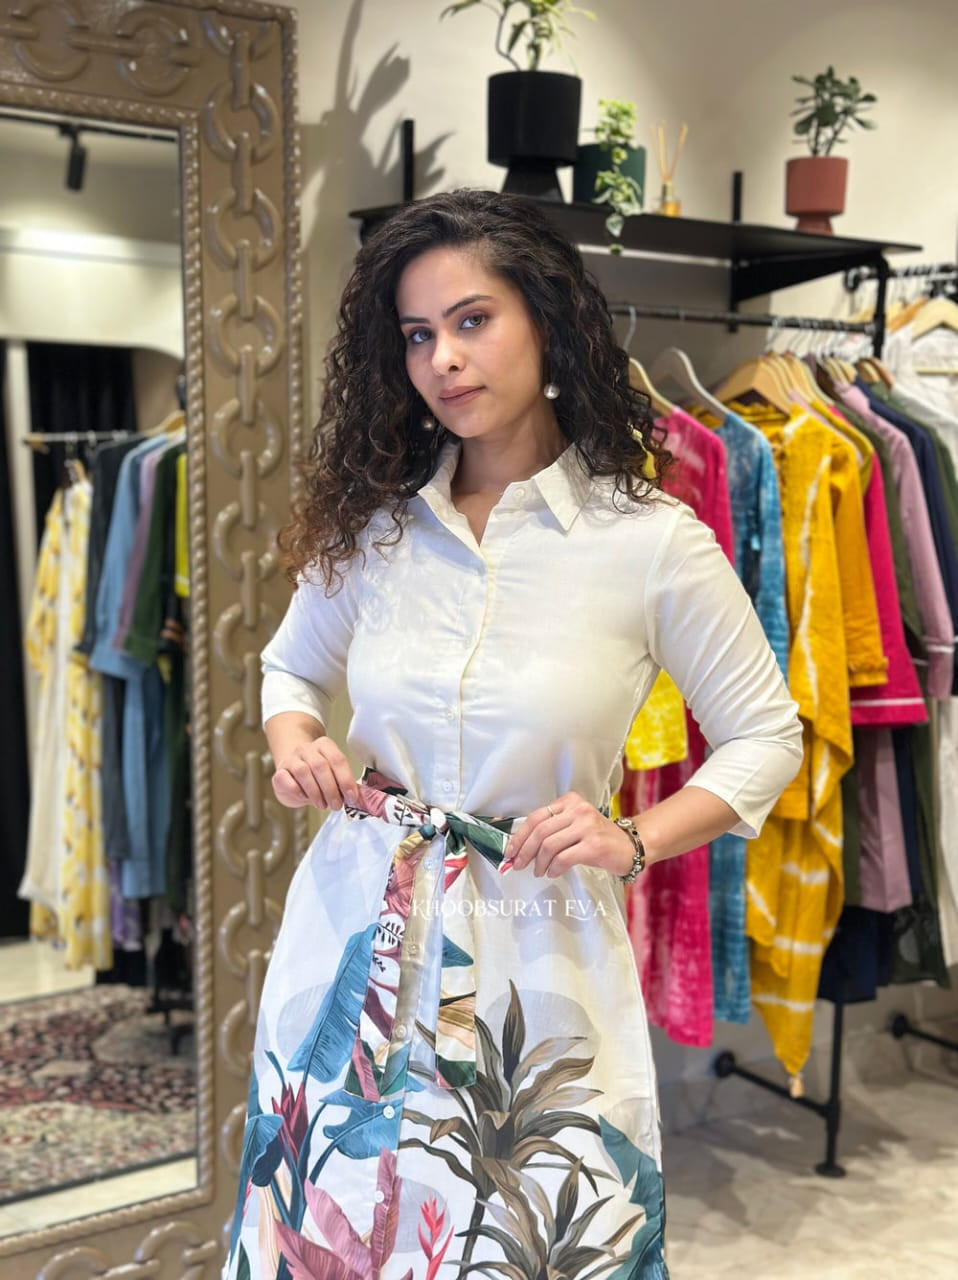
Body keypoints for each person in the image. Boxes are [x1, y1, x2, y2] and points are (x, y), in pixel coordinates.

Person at [223, 188, 802, 1280]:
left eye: (472, 319)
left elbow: (765, 735)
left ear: (548, 320)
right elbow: (289, 667)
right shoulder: (378, 528)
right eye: (417, 334)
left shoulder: (649, 541)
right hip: (354, 928)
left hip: (538, 938)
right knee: (331, 1217)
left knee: (529, 1232)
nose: (442, 358)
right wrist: (296, 740)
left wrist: (634, 839)